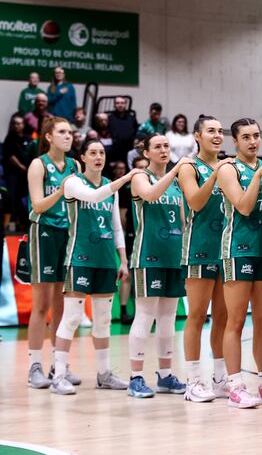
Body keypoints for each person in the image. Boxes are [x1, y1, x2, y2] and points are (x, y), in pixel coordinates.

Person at [49, 139, 140, 394]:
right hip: (79, 258)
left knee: (102, 320)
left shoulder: (110, 187)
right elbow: (93, 195)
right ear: (83, 157)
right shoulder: (73, 182)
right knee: (73, 317)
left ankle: (104, 374)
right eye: (93, 153)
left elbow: (116, 227)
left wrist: (122, 259)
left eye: (101, 152)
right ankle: (59, 374)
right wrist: (125, 179)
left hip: (104, 260)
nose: (98, 156)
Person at [127, 134, 192, 398]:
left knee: (168, 318)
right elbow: (152, 195)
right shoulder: (140, 177)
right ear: (146, 152)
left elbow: (185, 220)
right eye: (158, 147)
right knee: (145, 315)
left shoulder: (177, 185)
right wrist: (177, 168)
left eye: (167, 146)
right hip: (148, 255)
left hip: (173, 256)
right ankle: (135, 378)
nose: (164, 150)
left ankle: (165, 376)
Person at [216, 118, 262, 409]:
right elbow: (244, 205)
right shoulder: (228, 169)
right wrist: (259, 175)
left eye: (257, 136)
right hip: (238, 249)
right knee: (235, 320)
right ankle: (235, 385)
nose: (253, 141)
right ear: (235, 142)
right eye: (246, 137)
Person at [178, 115, 232, 403]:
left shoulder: (229, 166)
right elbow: (195, 202)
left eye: (221, 131)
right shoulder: (188, 166)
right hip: (199, 246)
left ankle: (220, 379)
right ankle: (193, 381)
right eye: (211, 130)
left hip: (227, 248)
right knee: (197, 315)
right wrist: (216, 174)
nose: (217, 135)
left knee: (223, 316)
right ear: (197, 136)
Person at [25, 117, 81, 390]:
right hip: (44, 232)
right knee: (42, 304)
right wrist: (62, 190)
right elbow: (38, 204)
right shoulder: (39, 165)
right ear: (48, 137)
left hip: (68, 233)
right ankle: (34, 365)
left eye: (70, 132)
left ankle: (59, 365)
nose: (68, 136)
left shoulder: (74, 165)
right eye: (62, 132)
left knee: (63, 305)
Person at [112, 159, 139, 325]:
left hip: (149, 235)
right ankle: (123, 311)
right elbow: (122, 214)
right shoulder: (125, 188)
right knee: (127, 274)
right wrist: (125, 232)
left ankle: (144, 312)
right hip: (131, 234)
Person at [2, 114, 33, 231]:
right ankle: (13, 222)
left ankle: (24, 222)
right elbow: (10, 156)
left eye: (19, 123)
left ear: (23, 125)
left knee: (24, 198)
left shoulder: (28, 138)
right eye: (15, 123)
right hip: (13, 174)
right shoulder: (9, 138)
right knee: (13, 198)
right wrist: (21, 166)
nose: (17, 126)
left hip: (26, 174)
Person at [107, 96, 138, 163]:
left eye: (122, 103)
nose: (120, 105)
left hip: (128, 150)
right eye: (117, 103)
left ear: (125, 104)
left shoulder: (132, 118)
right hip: (114, 151)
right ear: (114, 105)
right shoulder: (109, 118)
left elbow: (136, 132)